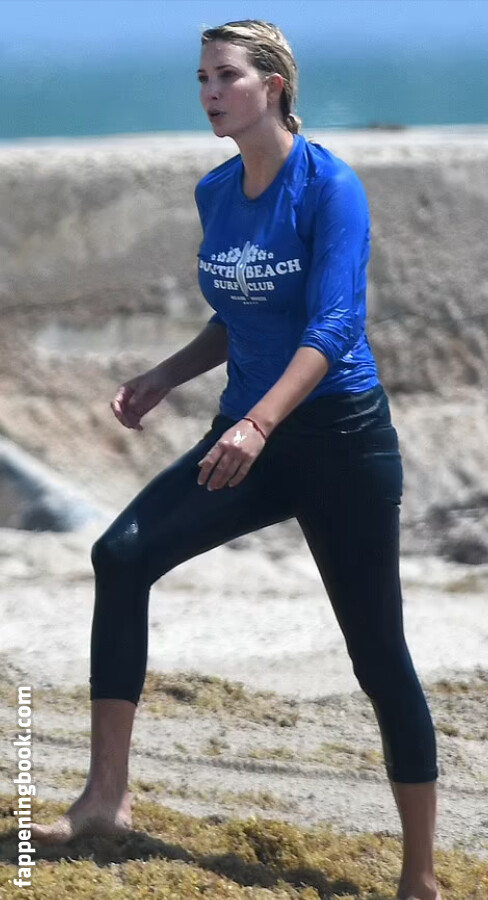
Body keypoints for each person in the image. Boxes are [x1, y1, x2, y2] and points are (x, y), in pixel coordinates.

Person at [31, 19, 441, 900]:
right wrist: (163, 375)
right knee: (122, 554)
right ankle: (105, 800)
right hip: (247, 436)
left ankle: (420, 877)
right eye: (202, 79)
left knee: (377, 654)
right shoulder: (217, 190)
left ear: (274, 87)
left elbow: (334, 325)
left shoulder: (330, 187)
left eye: (226, 76)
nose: (210, 93)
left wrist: (256, 423)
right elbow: (240, 312)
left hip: (339, 442)